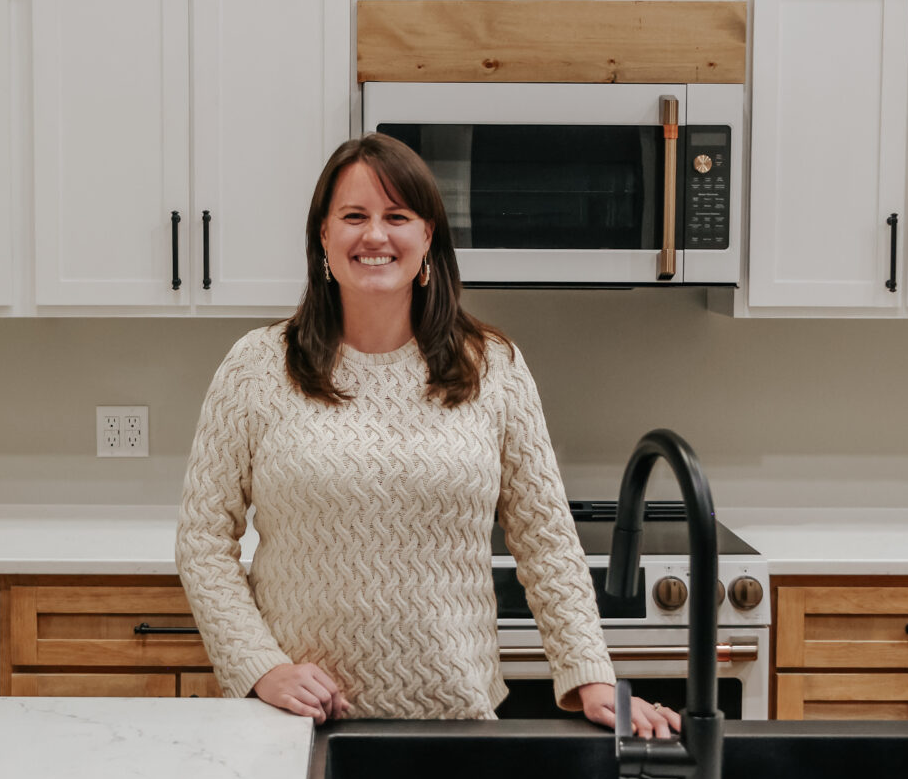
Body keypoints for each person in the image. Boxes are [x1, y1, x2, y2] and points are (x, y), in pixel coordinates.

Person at [175, 133, 681, 737]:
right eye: (354, 216)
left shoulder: (492, 365)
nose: (375, 236)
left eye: (397, 217)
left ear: (428, 238)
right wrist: (262, 668)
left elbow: (545, 539)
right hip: (296, 723)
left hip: (458, 718)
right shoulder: (256, 367)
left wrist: (591, 676)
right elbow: (203, 541)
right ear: (323, 235)